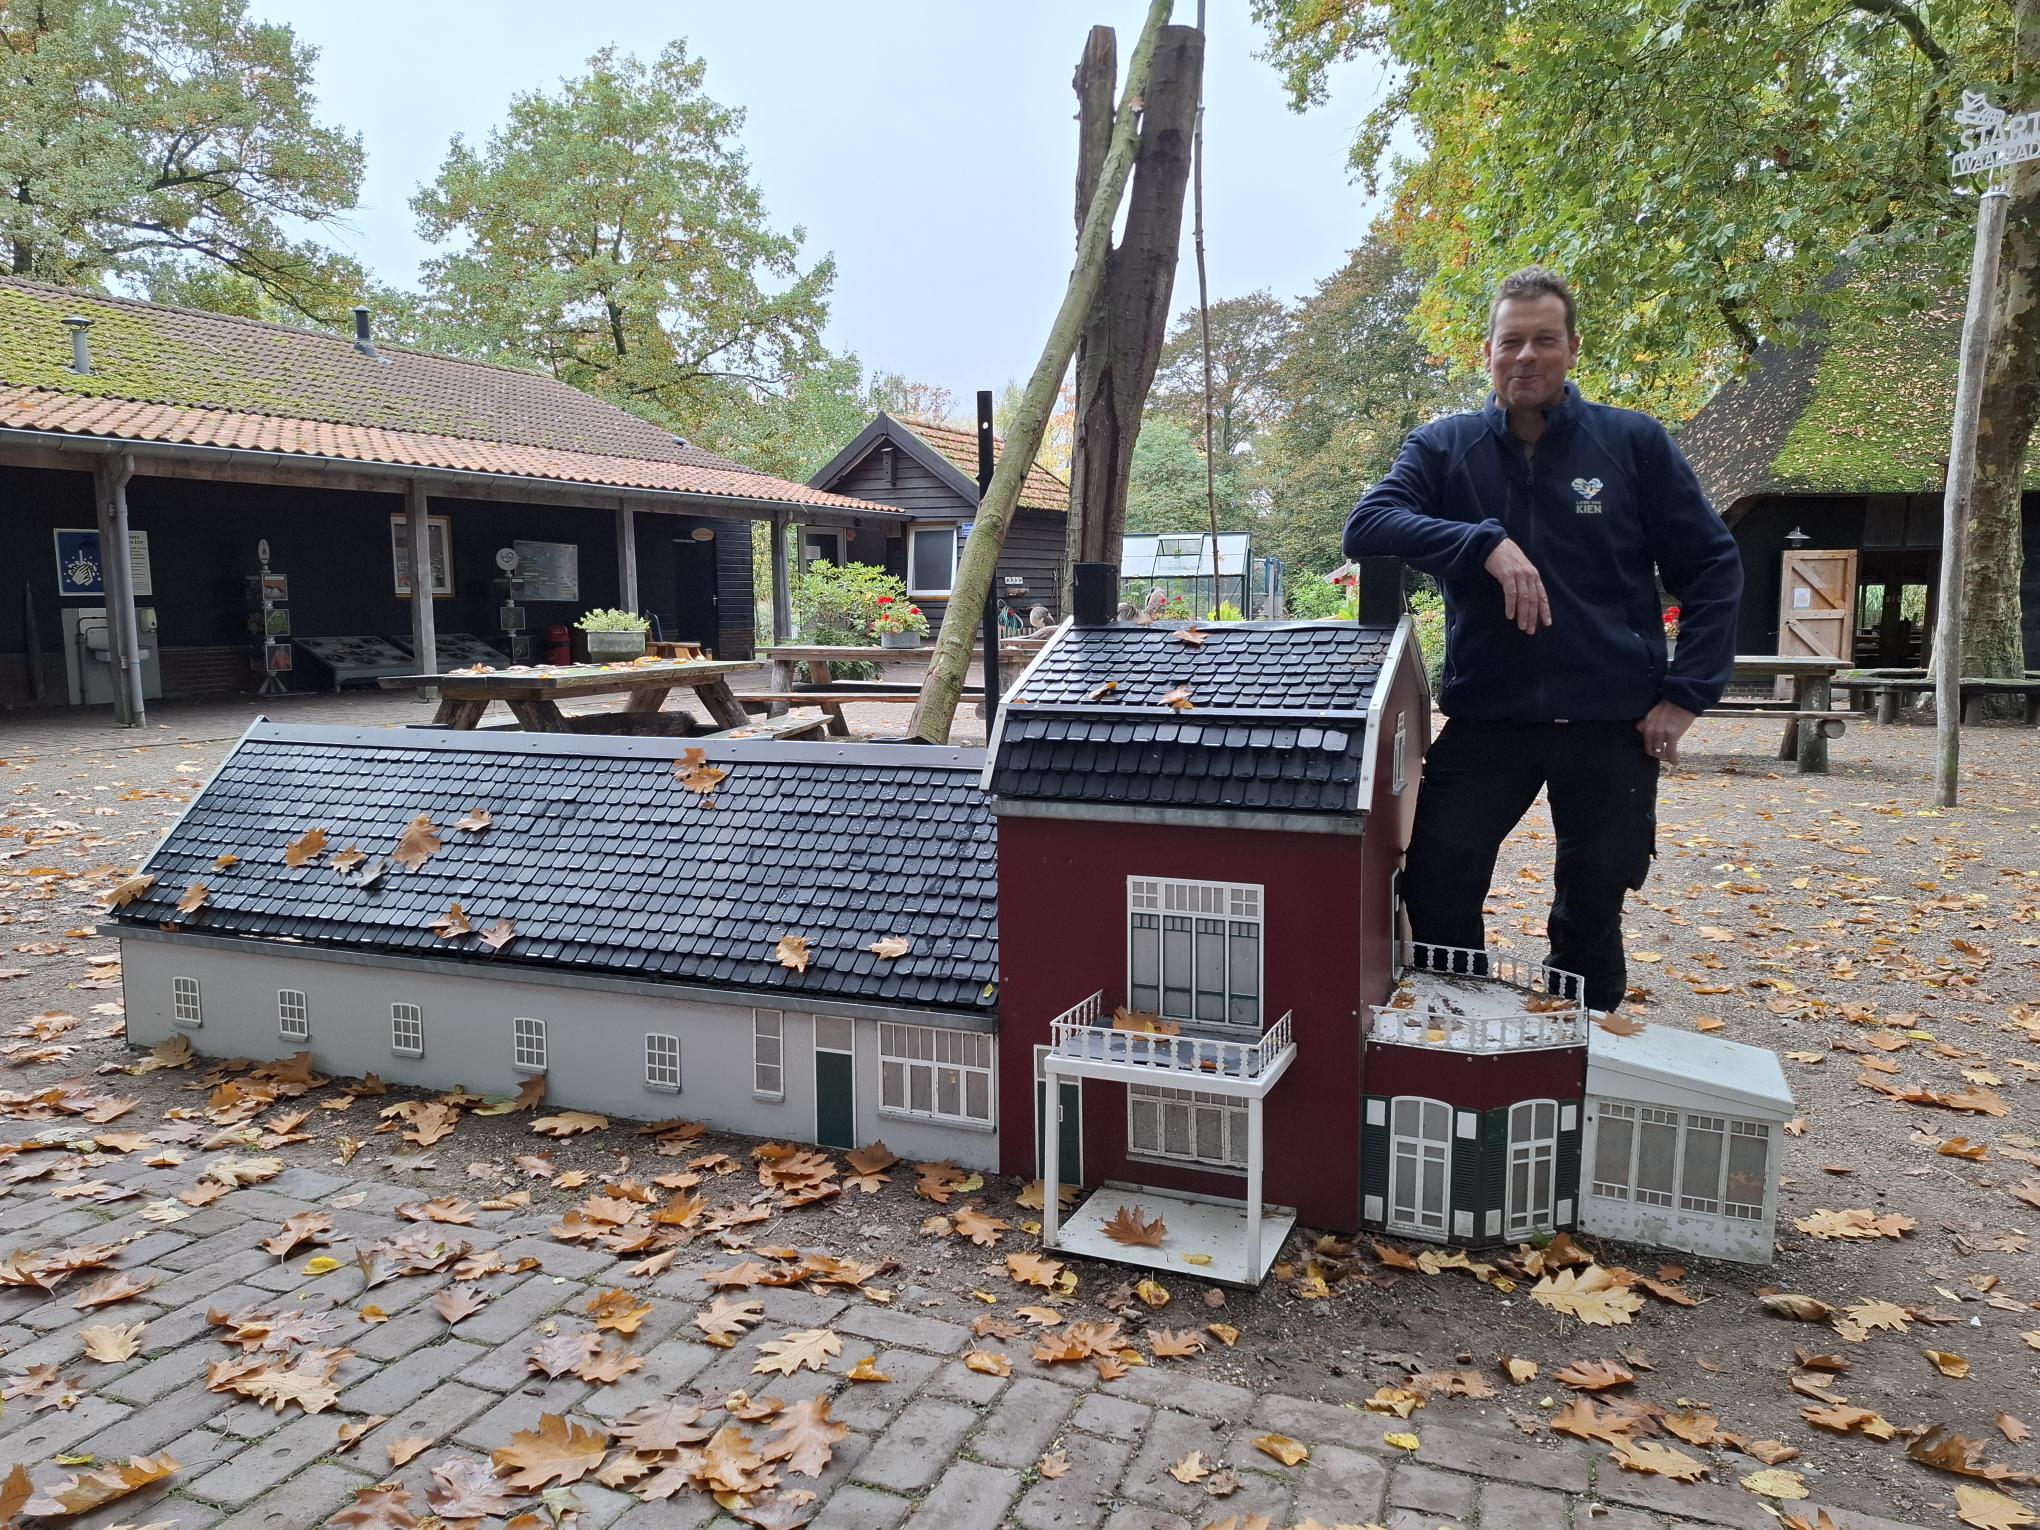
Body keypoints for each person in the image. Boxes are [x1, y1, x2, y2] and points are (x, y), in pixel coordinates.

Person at [1344, 266, 1742, 1013]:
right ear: (1487, 352)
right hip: (1489, 721)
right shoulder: (1444, 447)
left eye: (1544, 341)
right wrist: (1483, 543)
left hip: (1609, 723)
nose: (1526, 356)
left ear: (1571, 349)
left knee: (1593, 903)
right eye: (1512, 341)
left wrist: (1685, 696)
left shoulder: (1633, 444)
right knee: (1438, 881)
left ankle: (1579, 1048)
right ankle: (1460, 1027)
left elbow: (1714, 569)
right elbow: (1367, 527)